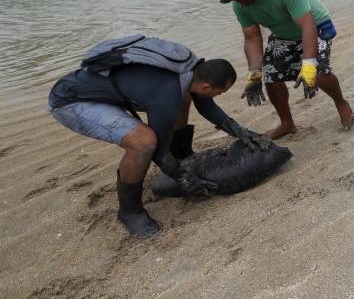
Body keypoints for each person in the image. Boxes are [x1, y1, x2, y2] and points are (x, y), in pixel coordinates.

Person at [47, 40, 269, 237]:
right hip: (71, 101)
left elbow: (204, 102)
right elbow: (159, 152)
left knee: (183, 99)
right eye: (219, 93)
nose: (217, 97)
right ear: (206, 86)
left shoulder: (190, 67)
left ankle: (181, 154)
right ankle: (129, 211)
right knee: (144, 142)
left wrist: (238, 130)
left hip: (97, 87)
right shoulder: (166, 98)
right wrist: (184, 178)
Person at [216, 0, 354, 138]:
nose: (236, 0)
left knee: (318, 73)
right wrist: (255, 74)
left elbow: (307, 26)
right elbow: (252, 38)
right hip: (284, 33)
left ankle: (341, 102)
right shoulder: (240, 5)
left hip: (316, 26)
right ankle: (287, 124)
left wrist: (308, 65)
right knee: (270, 74)